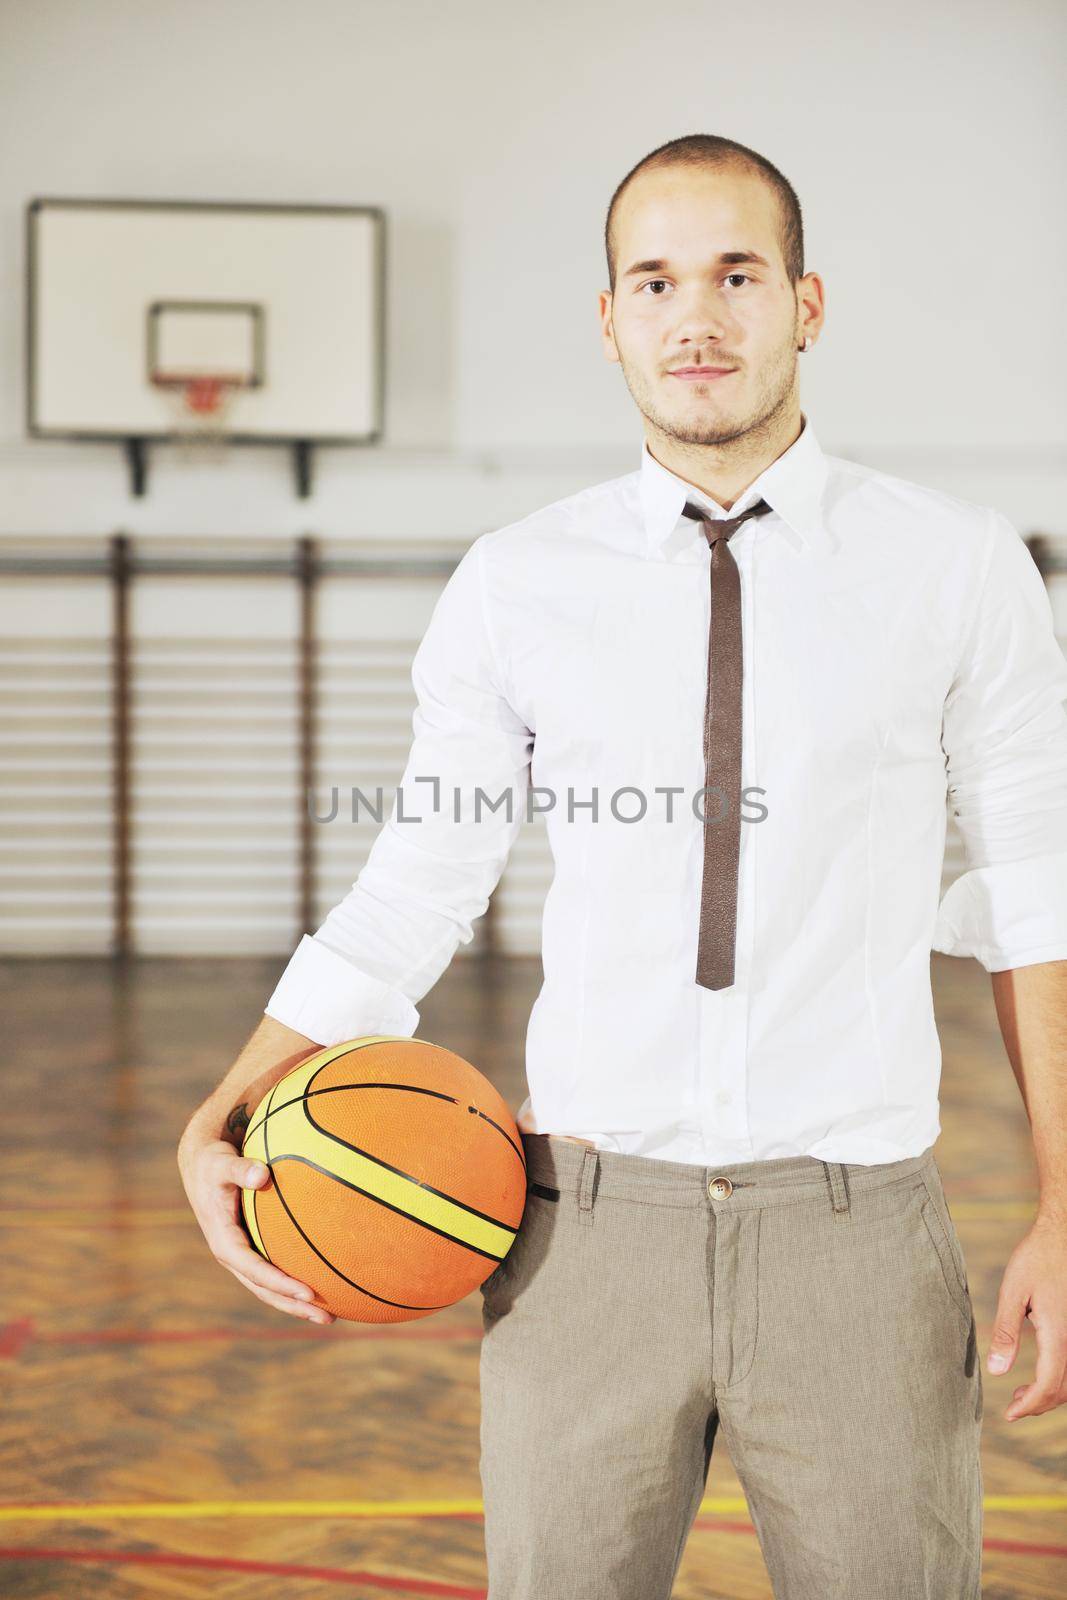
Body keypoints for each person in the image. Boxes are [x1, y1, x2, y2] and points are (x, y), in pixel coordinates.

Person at [178, 133, 1067, 1597]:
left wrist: (1063, 1204)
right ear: (610, 319)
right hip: (578, 1239)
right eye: (654, 280)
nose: (696, 316)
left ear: (808, 303)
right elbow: (416, 885)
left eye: (736, 273)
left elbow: (1037, 892)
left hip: (856, 1233)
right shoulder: (516, 583)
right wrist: (220, 1108)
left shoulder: (958, 567)